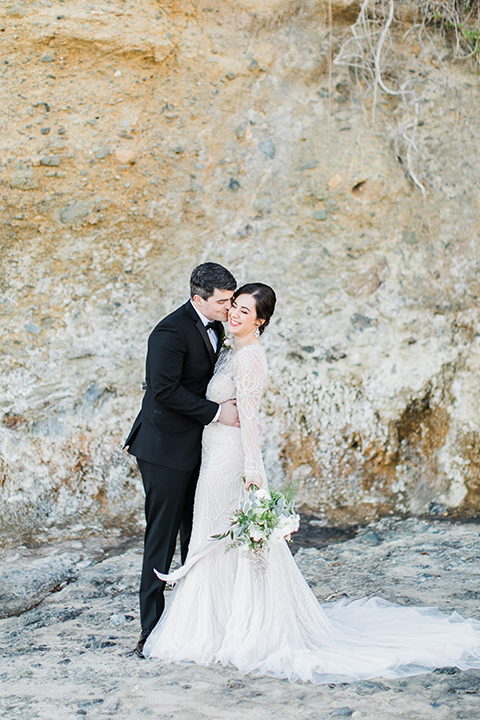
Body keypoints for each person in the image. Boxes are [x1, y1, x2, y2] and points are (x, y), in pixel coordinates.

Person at [143, 282, 480, 683]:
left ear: (261, 321)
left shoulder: (250, 358)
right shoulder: (230, 348)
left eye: (244, 311)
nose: (233, 314)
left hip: (230, 460)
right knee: (213, 537)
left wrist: (253, 471)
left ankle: (225, 628)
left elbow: (250, 419)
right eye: (232, 306)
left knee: (217, 536)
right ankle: (216, 622)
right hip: (213, 453)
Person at [124, 262, 239, 658]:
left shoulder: (217, 326)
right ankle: (150, 631)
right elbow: (164, 390)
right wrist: (217, 413)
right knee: (162, 539)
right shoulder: (169, 332)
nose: (230, 307)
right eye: (223, 302)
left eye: (231, 300)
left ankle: (191, 623)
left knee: (196, 533)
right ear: (197, 298)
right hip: (164, 450)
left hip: (199, 449)